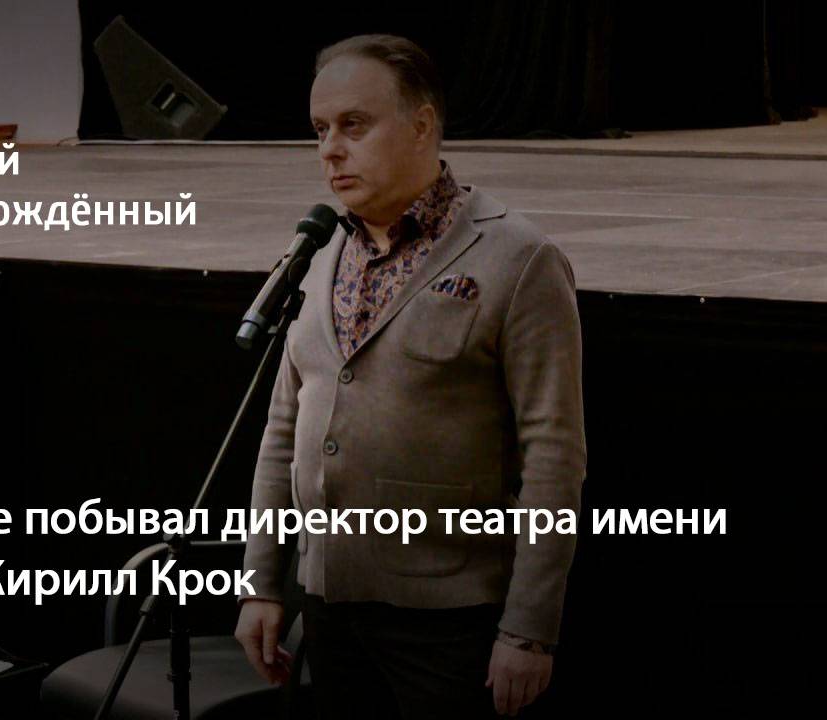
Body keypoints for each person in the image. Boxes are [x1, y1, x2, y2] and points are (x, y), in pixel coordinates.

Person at [235, 35, 586, 718]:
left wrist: (529, 629)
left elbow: (555, 456)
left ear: (422, 125)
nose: (330, 149)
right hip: (329, 609)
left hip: (451, 625)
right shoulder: (317, 253)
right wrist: (262, 584)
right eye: (320, 130)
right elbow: (282, 430)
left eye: (354, 125)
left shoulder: (518, 257)